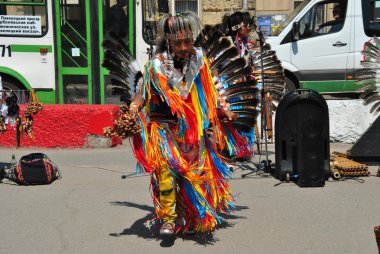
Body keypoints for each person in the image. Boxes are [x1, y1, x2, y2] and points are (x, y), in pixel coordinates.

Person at [130, 12, 236, 236]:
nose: (184, 47)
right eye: (178, 43)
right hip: (165, 128)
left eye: (188, 41)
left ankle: (193, 216)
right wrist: (131, 111)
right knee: (166, 172)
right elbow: (141, 96)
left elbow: (211, 88)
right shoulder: (156, 66)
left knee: (197, 173)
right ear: (168, 41)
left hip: (192, 128)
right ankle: (168, 218)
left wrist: (223, 109)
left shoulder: (199, 58)